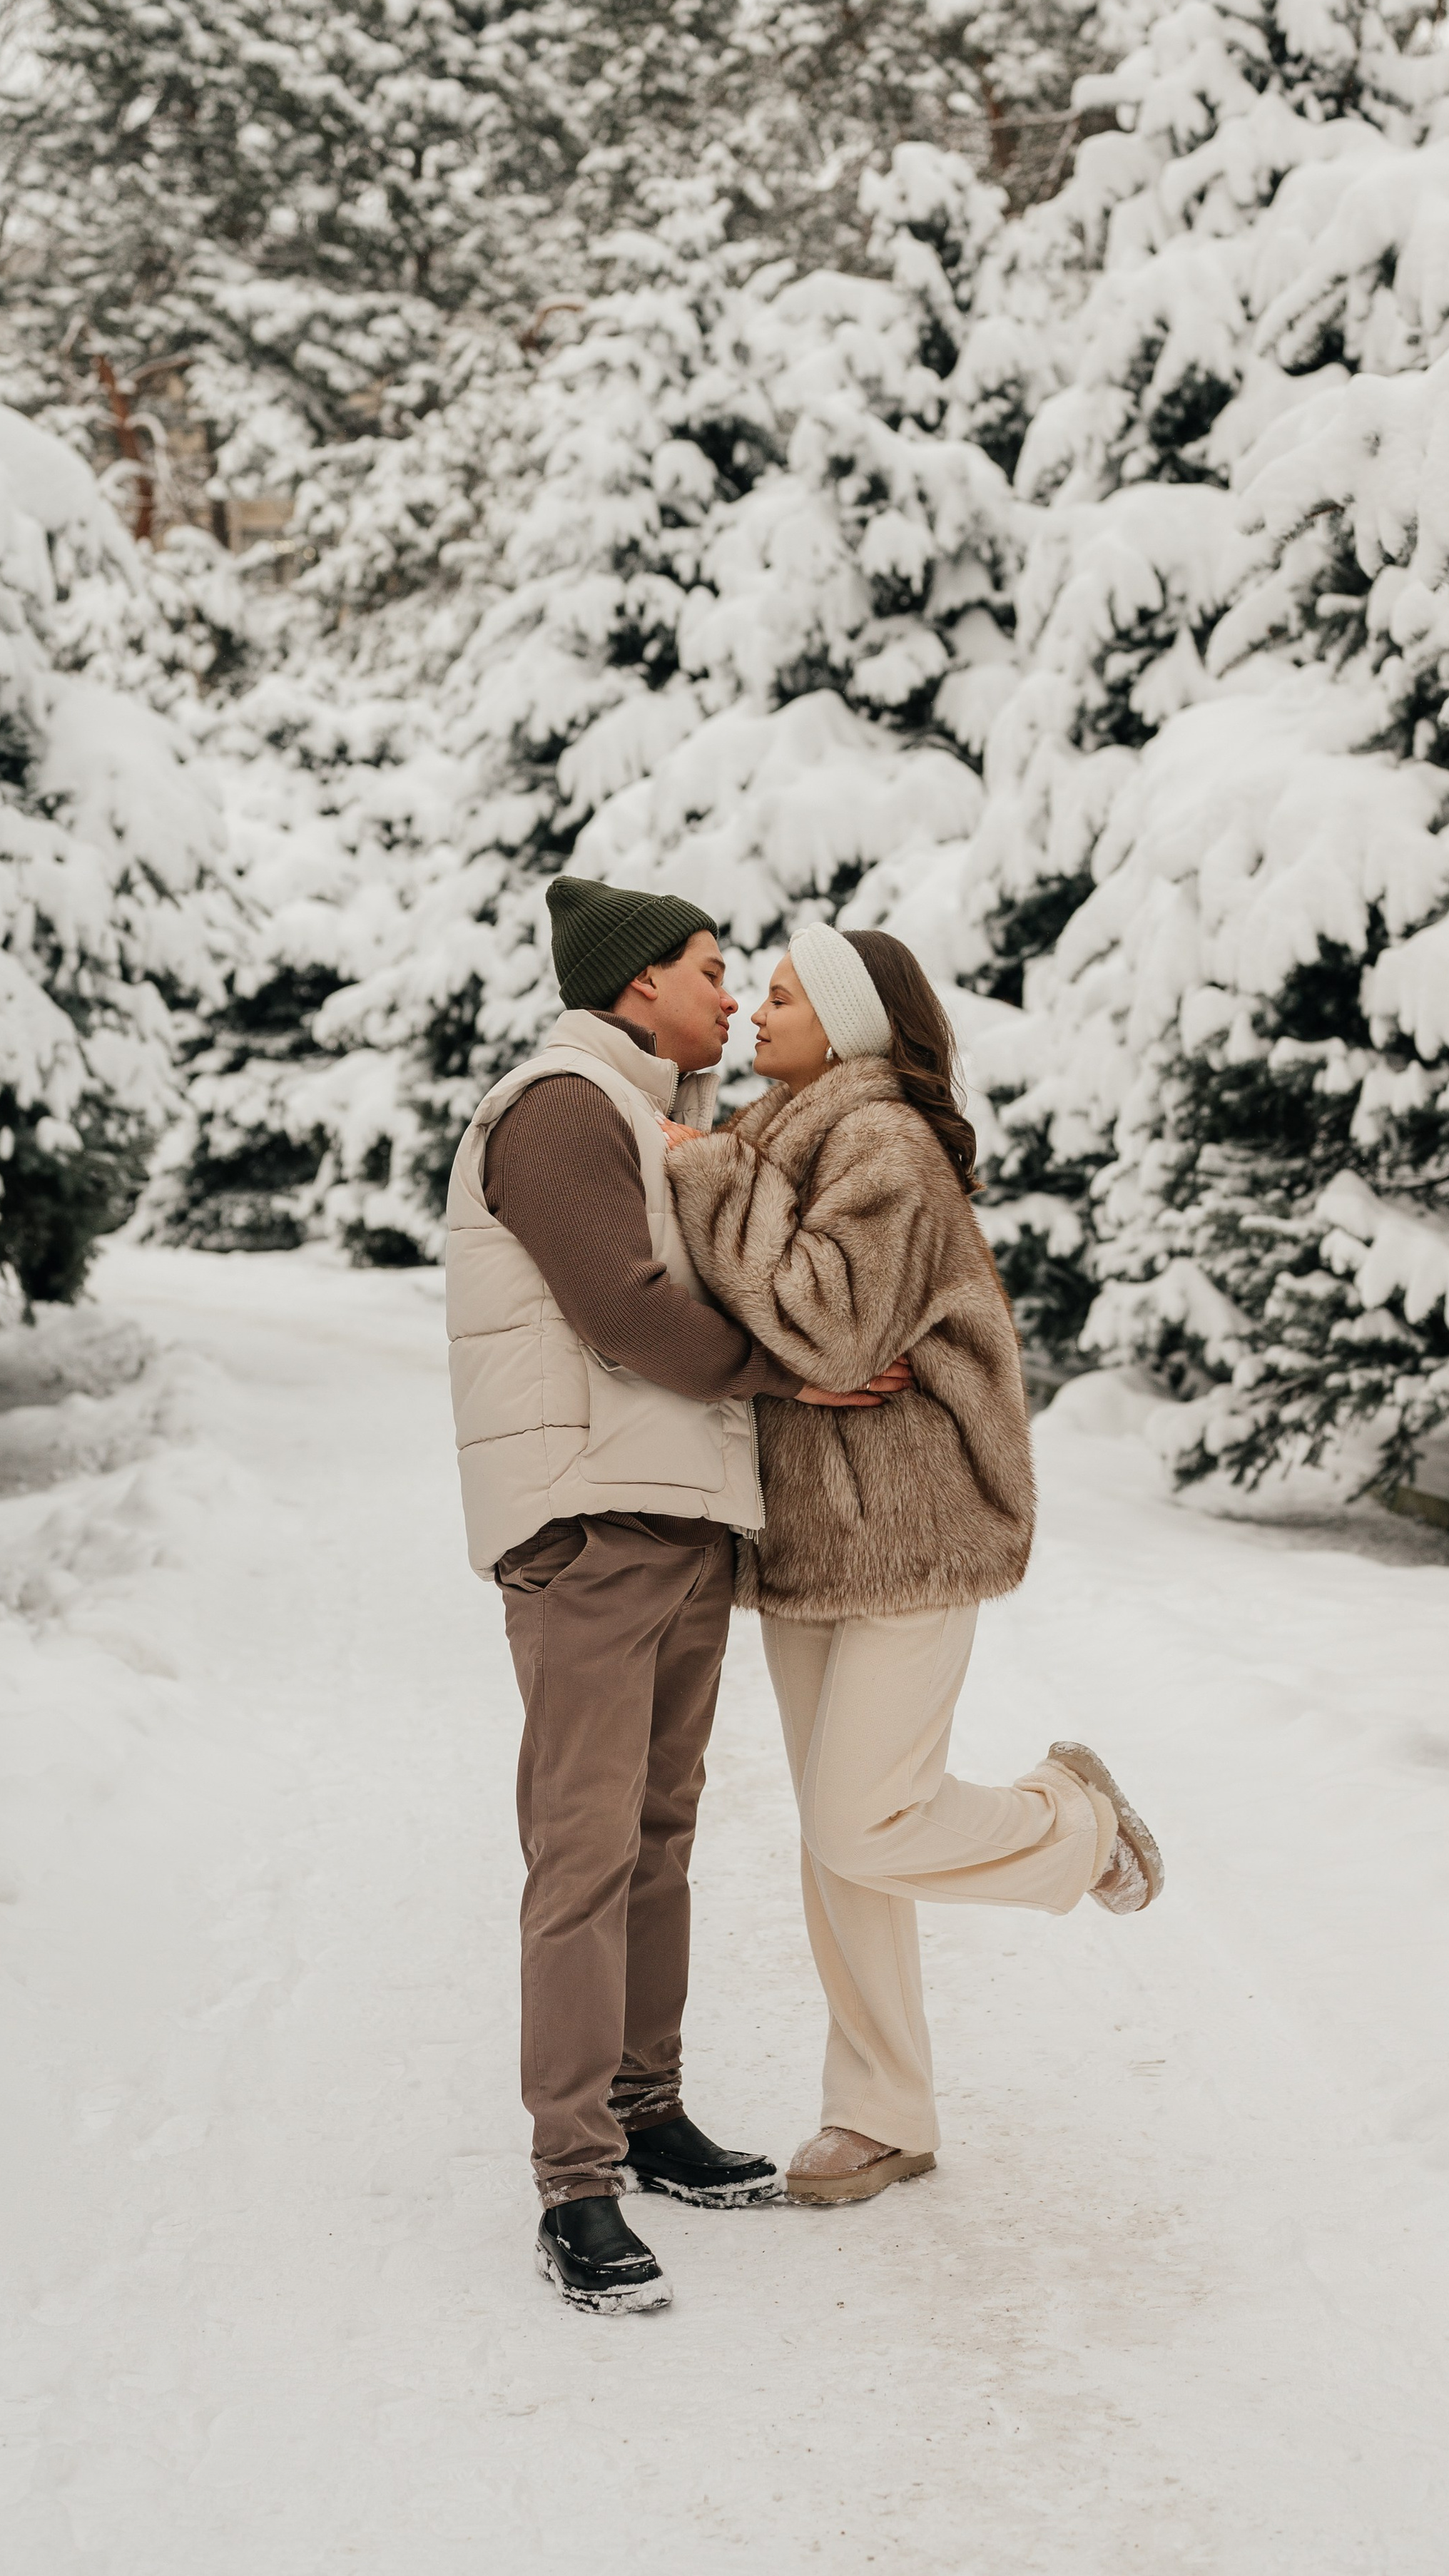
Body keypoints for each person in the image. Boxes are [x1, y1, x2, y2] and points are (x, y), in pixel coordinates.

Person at [443, 877, 907, 2312]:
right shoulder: (558, 1104)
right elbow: (629, 1311)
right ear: (633, 983)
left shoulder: (644, 1115)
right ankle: (573, 2178)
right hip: (588, 1523)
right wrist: (797, 1371)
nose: (730, 996)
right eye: (710, 970)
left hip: (678, 1514)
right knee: (583, 1849)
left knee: (656, 1833)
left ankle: (646, 2110)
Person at [662, 922, 1164, 2206]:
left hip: (911, 1522)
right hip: (806, 1533)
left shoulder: (877, 1138)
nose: (756, 1014)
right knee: (843, 1847)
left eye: (780, 997)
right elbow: (776, 1321)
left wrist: (710, 1174)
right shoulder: (784, 1132)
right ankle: (881, 2112)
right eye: (756, 992)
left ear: (848, 1025)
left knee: (860, 1817)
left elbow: (825, 1322)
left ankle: (1077, 1824)